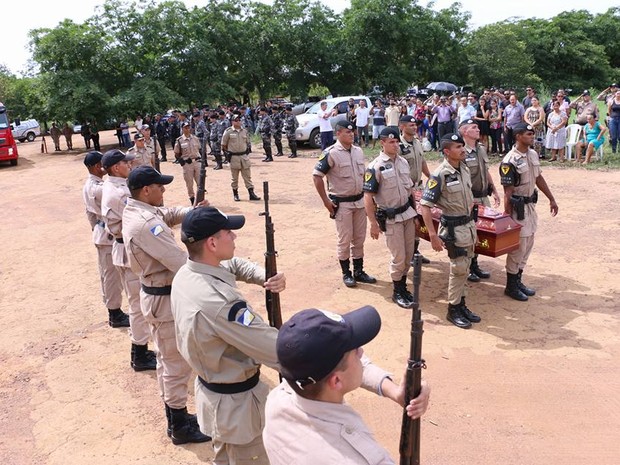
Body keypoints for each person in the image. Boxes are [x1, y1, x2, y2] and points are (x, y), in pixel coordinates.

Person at [171, 207, 286, 465]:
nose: (234, 236)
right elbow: (275, 349)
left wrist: (264, 275)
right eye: (228, 232)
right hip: (240, 410)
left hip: (216, 400)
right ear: (212, 243)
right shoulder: (220, 304)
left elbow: (231, 265)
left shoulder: (187, 273)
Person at [263, 305, 430, 465]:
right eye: (355, 351)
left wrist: (394, 391)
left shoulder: (280, 397)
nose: (361, 352)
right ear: (336, 381)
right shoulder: (358, 459)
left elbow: (341, 366)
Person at [122, 166, 211, 445]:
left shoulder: (140, 210)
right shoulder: (147, 225)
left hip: (159, 296)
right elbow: (180, 261)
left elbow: (168, 213)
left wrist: (192, 210)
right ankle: (180, 425)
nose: (164, 190)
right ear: (146, 190)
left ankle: (177, 418)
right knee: (176, 364)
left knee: (166, 360)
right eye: (159, 186)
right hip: (165, 298)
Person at [100, 149, 157, 371]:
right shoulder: (119, 193)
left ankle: (140, 350)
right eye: (126, 163)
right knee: (138, 305)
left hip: (124, 248)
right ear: (116, 167)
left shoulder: (115, 186)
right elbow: (140, 216)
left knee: (138, 304)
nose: (129, 165)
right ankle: (140, 354)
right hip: (128, 251)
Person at [419, 133, 480, 329]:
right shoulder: (440, 175)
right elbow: (425, 206)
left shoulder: (463, 168)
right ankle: (453, 309)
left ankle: (462, 305)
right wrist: (433, 235)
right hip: (454, 229)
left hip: (468, 227)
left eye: (462, 146)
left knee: (466, 267)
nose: (463, 149)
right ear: (447, 151)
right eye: (457, 147)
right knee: (458, 269)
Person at [313, 120, 376, 288]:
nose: (351, 134)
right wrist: (326, 201)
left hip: (359, 201)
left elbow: (363, 176)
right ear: (338, 133)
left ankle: (359, 271)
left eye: (352, 132)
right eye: (347, 132)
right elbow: (317, 176)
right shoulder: (331, 153)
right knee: (345, 239)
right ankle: (346, 273)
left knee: (359, 238)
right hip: (342, 204)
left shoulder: (358, 151)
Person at [500, 123, 558, 301]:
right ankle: (510, 285)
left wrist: (551, 198)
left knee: (529, 243)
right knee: (518, 247)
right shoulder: (509, 160)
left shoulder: (532, 154)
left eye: (533, 134)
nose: (532, 136)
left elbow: (538, 177)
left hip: (530, 206)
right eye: (528, 134)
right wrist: (507, 217)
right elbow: (507, 191)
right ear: (518, 136)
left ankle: (518, 280)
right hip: (518, 209)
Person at [363, 127, 417, 309]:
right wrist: (373, 223)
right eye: (391, 142)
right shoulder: (375, 166)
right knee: (399, 256)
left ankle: (403, 286)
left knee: (409, 254)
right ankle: (397, 291)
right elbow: (368, 197)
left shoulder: (403, 162)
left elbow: (410, 191)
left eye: (397, 142)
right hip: (391, 217)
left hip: (407, 214)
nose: (395, 145)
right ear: (382, 143)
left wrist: (415, 214)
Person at [81, 151, 128, 329]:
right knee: (111, 277)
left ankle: (114, 310)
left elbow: (89, 214)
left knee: (108, 275)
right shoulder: (99, 188)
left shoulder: (92, 184)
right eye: (102, 163)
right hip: (107, 236)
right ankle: (115, 313)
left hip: (101, 232)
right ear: (95, 167)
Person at [458, 119, 501, 283]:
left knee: (481, 231)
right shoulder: (460, 152)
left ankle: (475, 264)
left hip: (483, 196)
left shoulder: (481, 148)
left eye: (477, 127)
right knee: (469, 233)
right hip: (470, 198)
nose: (478, 129)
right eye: (473, 127)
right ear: (464, 132)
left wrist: (494, 189)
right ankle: (467, 267)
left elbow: (486, 170)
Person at [398, 115, 431, 264]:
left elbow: (422, 161)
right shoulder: (398, 145)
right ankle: (408, 253)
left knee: (419, 220)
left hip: (419, 187)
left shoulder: (417, 143)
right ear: (402, 127)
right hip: (405, 189)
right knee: (410, 220)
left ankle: (415, 251)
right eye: (410, 125)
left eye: (415, 125)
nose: (414, 127)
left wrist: (430, 176)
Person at [221, 114, 261, 202]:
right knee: (234, 178)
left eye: (239, 120)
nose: (238, 121)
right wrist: (228, 154)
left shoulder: (244, 131)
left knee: (247, 177)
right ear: (232, 122)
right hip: (234, 157)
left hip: (244, 157)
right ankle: (235, 194)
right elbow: (224, 145)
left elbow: (248, 142)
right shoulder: (228, 132)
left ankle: (251, 194)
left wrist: (247, 150)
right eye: (236, 120)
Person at [174, 122, 202, 205]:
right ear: (182, 129)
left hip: (197, 162)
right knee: (189, 183)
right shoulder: (179, 140)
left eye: (189, 127)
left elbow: (199, 149)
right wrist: (182, 161)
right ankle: (192, 199)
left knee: (200, 182)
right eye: (185, 127)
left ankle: (200, 199)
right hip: (187, 164)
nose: (187, 129)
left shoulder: (195, 138)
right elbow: (176, 153)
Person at [607, 89, 620, 154]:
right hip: (613, 119)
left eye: (619, 93)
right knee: (613, 136)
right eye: (617, 93)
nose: (618, 94)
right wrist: (610, 117)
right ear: (615, 94)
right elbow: (609, 111)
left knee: (619, 136)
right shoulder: (611, 101)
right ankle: (614, 150)